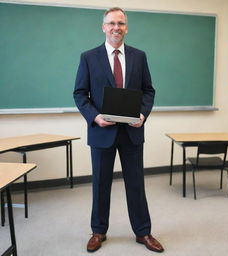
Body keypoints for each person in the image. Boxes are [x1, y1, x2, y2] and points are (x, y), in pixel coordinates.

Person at [73, 7, 164, 253]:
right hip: (102, 132)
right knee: (101, 184)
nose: (116, 27)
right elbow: (80, 94)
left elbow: (149, 90)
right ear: (103, 27)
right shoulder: (88, 57)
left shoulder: (139, 56)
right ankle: (98, 231)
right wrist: (95, 117)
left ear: (126, 27)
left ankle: (143, 233)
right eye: (111, 23)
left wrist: (143, 114)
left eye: (121, 23)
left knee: (136, 184)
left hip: (132, 132)